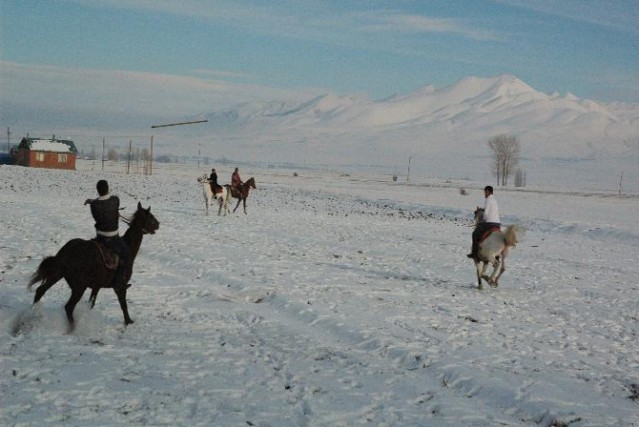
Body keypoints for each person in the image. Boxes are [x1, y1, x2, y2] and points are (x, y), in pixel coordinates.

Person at [84, 180, 131, 290]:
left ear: (97, 190)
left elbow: (99, 203)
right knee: (126, 255)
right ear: (108, 188)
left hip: (99, 237)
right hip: (113, 238)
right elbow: (108, 201)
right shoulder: (115, 200)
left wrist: (91, 201)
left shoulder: (94, 205)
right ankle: (119, 281)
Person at [467, 185, 501, 258]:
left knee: (475, 234)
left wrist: (484, 220)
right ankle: (497, 255)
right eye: (484, 192)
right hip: (498, 224)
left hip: (490, 223)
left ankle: (474, 253)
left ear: (490, 192)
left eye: (486, 192)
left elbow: (486, 213)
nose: (485, 194)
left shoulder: (488, 199)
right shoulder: (495, 200)